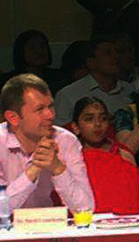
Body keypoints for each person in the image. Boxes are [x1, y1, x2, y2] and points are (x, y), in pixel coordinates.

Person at [0, 74, 94, 210]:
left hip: (46, 226)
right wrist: (33, 169)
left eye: (50, 106)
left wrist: (58, 168)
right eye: (40, 109)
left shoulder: (65, 140)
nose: (50, 115)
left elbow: (85, 209)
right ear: (13, 118)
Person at [53, 35, 136, 125]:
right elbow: (60, 132)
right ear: (91, 63)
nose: (115, 57)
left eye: (117, 52)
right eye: (107, 53)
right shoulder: (68, 94)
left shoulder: (130, 90)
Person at [72, 97, 136, 166]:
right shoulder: (68, 158)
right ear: (76, 127)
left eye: (103, 118)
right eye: (89, 119)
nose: (98, 124)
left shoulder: (124, 157)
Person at [0, 30, 67, 93]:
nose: (39, 51)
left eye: (42, 46)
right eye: (32, 48)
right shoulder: (9, 82)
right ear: (21, 52)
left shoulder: (59, 77)